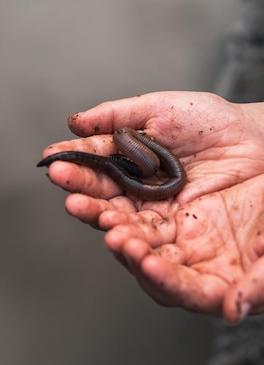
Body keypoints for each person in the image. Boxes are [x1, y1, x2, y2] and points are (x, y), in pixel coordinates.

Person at [40, 90, 264, 325]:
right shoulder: (136, 149)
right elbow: (140, 162)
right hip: (144, 168)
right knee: (126, 167)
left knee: (128, 167)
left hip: (147, 169)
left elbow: (141, 161)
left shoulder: (132, 146)